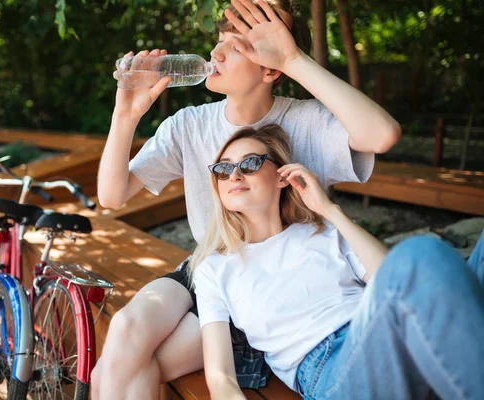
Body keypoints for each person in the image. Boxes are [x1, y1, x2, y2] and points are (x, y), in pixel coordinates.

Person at [94, 0, 401, 398]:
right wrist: (125, 116)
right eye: (219, 41)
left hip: (268, 284)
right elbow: (111, 195)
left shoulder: (304, 120)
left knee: (119, 370)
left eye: (236, 46)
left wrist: (294, 58)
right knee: (125, 329)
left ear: (272, 69)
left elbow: (382, 135)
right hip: (210, 263)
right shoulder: (191, 124)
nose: (216, 53)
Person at [192, 124, 484, 399]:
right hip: (331, 369)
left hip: (385, 329)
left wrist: (329, 210)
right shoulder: (215, 269)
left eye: (250, 163)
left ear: (283, 176)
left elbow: (393, 281)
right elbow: (221, 378)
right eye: (223, 169)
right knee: (421, 253)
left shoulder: (324, 230)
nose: (234, 175)